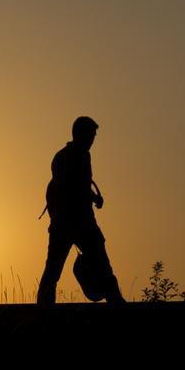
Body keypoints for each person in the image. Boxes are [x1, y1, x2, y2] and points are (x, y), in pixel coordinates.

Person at [37, 116, 125, 306]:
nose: (93, 140)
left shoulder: (60, 156)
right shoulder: (82, 155)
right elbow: (78, 186)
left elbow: (68, 185)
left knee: (52, 269)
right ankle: (116, 303)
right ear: (82, 134)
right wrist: (95, 198)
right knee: (101, 263)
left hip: (60, 223)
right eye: (91, 136)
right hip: (81, 222)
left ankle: (43, 308)